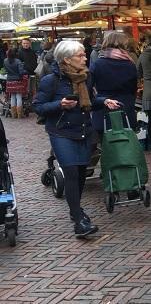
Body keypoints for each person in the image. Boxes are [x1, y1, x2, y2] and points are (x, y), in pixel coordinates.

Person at [34, 41, 120, 238]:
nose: (85, 58)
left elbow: (88, 101)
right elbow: (38, 107)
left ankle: (77, 210)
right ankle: (78, 219)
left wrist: (104, 101)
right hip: (61, 132)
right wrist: (59, 105)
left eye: (84, 54)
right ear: (67, 59)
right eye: (80, 55)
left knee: (81, 173)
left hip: (83, 130)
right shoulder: (50, 80)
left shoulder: (86, 78)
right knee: (71, 172)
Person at [90, 31, 138, 137]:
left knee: (108, 149)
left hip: (103, 110)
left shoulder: (97, 64)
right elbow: (134, 88)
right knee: (126, 147)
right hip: (125, 110)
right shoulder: (130, 64)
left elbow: (88, 88)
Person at [4, 49, 27, 118]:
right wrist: (25, 71)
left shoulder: (5, 61)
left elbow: (5, 70)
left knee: (12, 96)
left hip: (9, 80)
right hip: (18, 80)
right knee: (19, 96)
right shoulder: (18, 61)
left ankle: (13, 114)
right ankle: (20, 114)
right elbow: (21, 72)